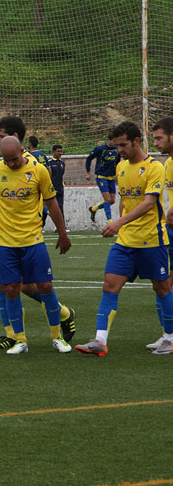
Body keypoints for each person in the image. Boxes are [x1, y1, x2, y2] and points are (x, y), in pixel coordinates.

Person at [0, 136, 72, 354]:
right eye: (6, 160)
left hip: (33, 240)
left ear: (23, 150)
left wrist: (62, 234)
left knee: (46, 286)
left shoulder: (39, 171)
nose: (11, 164)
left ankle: (57, 337)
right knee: (11, 288)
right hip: (5, 243)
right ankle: (20, 340)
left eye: (14, 159)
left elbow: (52, 203)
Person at [76, 121, 173, 356]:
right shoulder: (120, 167)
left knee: (162, 288)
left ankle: (170, 338)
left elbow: (149, 203)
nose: (119, 149)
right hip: (125, 242)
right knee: (110, 285)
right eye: (117, 145)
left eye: (123, 145)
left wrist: (118, 222)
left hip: (152, 240)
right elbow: (124, 200)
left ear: (136, 142)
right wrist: (120, 224)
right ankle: (100, 340)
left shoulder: (154, 167)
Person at [0, 116, 75, 349]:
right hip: (5, 236)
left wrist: (61, 231)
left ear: (14, 138)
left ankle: (62, 313)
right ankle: (13, 335)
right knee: (5, 284)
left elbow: (50, 200)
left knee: (30, 286)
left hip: (29, 235)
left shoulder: (35, 165)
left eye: (0, 136)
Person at [149, 116, 173, 352]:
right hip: (171, 232)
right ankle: (168, 335)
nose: (155, 143)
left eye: (159, 138)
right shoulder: (167, 165)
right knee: (163, 284)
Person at [85, 133, 119, 223]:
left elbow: (118, 162)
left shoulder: (117, 150)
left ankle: (94, 208)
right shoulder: (100, 149)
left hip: (111, 178)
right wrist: (88, 172)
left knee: (112, 201)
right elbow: (89, 158)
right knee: (107, 199)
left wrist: (117, 173)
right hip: (101, 177)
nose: (116, 143)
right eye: (114, 141)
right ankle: (110, 221)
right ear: (109, 140)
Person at [45, 144, 66, 224]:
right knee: (47, 208)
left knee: (60, 208)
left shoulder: (62, 163)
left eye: (61, 151)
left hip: (60, 189)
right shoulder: (49, 163)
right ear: (53, 152)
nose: (60, 153)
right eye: (58, 151)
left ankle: (62, 226)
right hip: (51, 189)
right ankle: (41, 225)